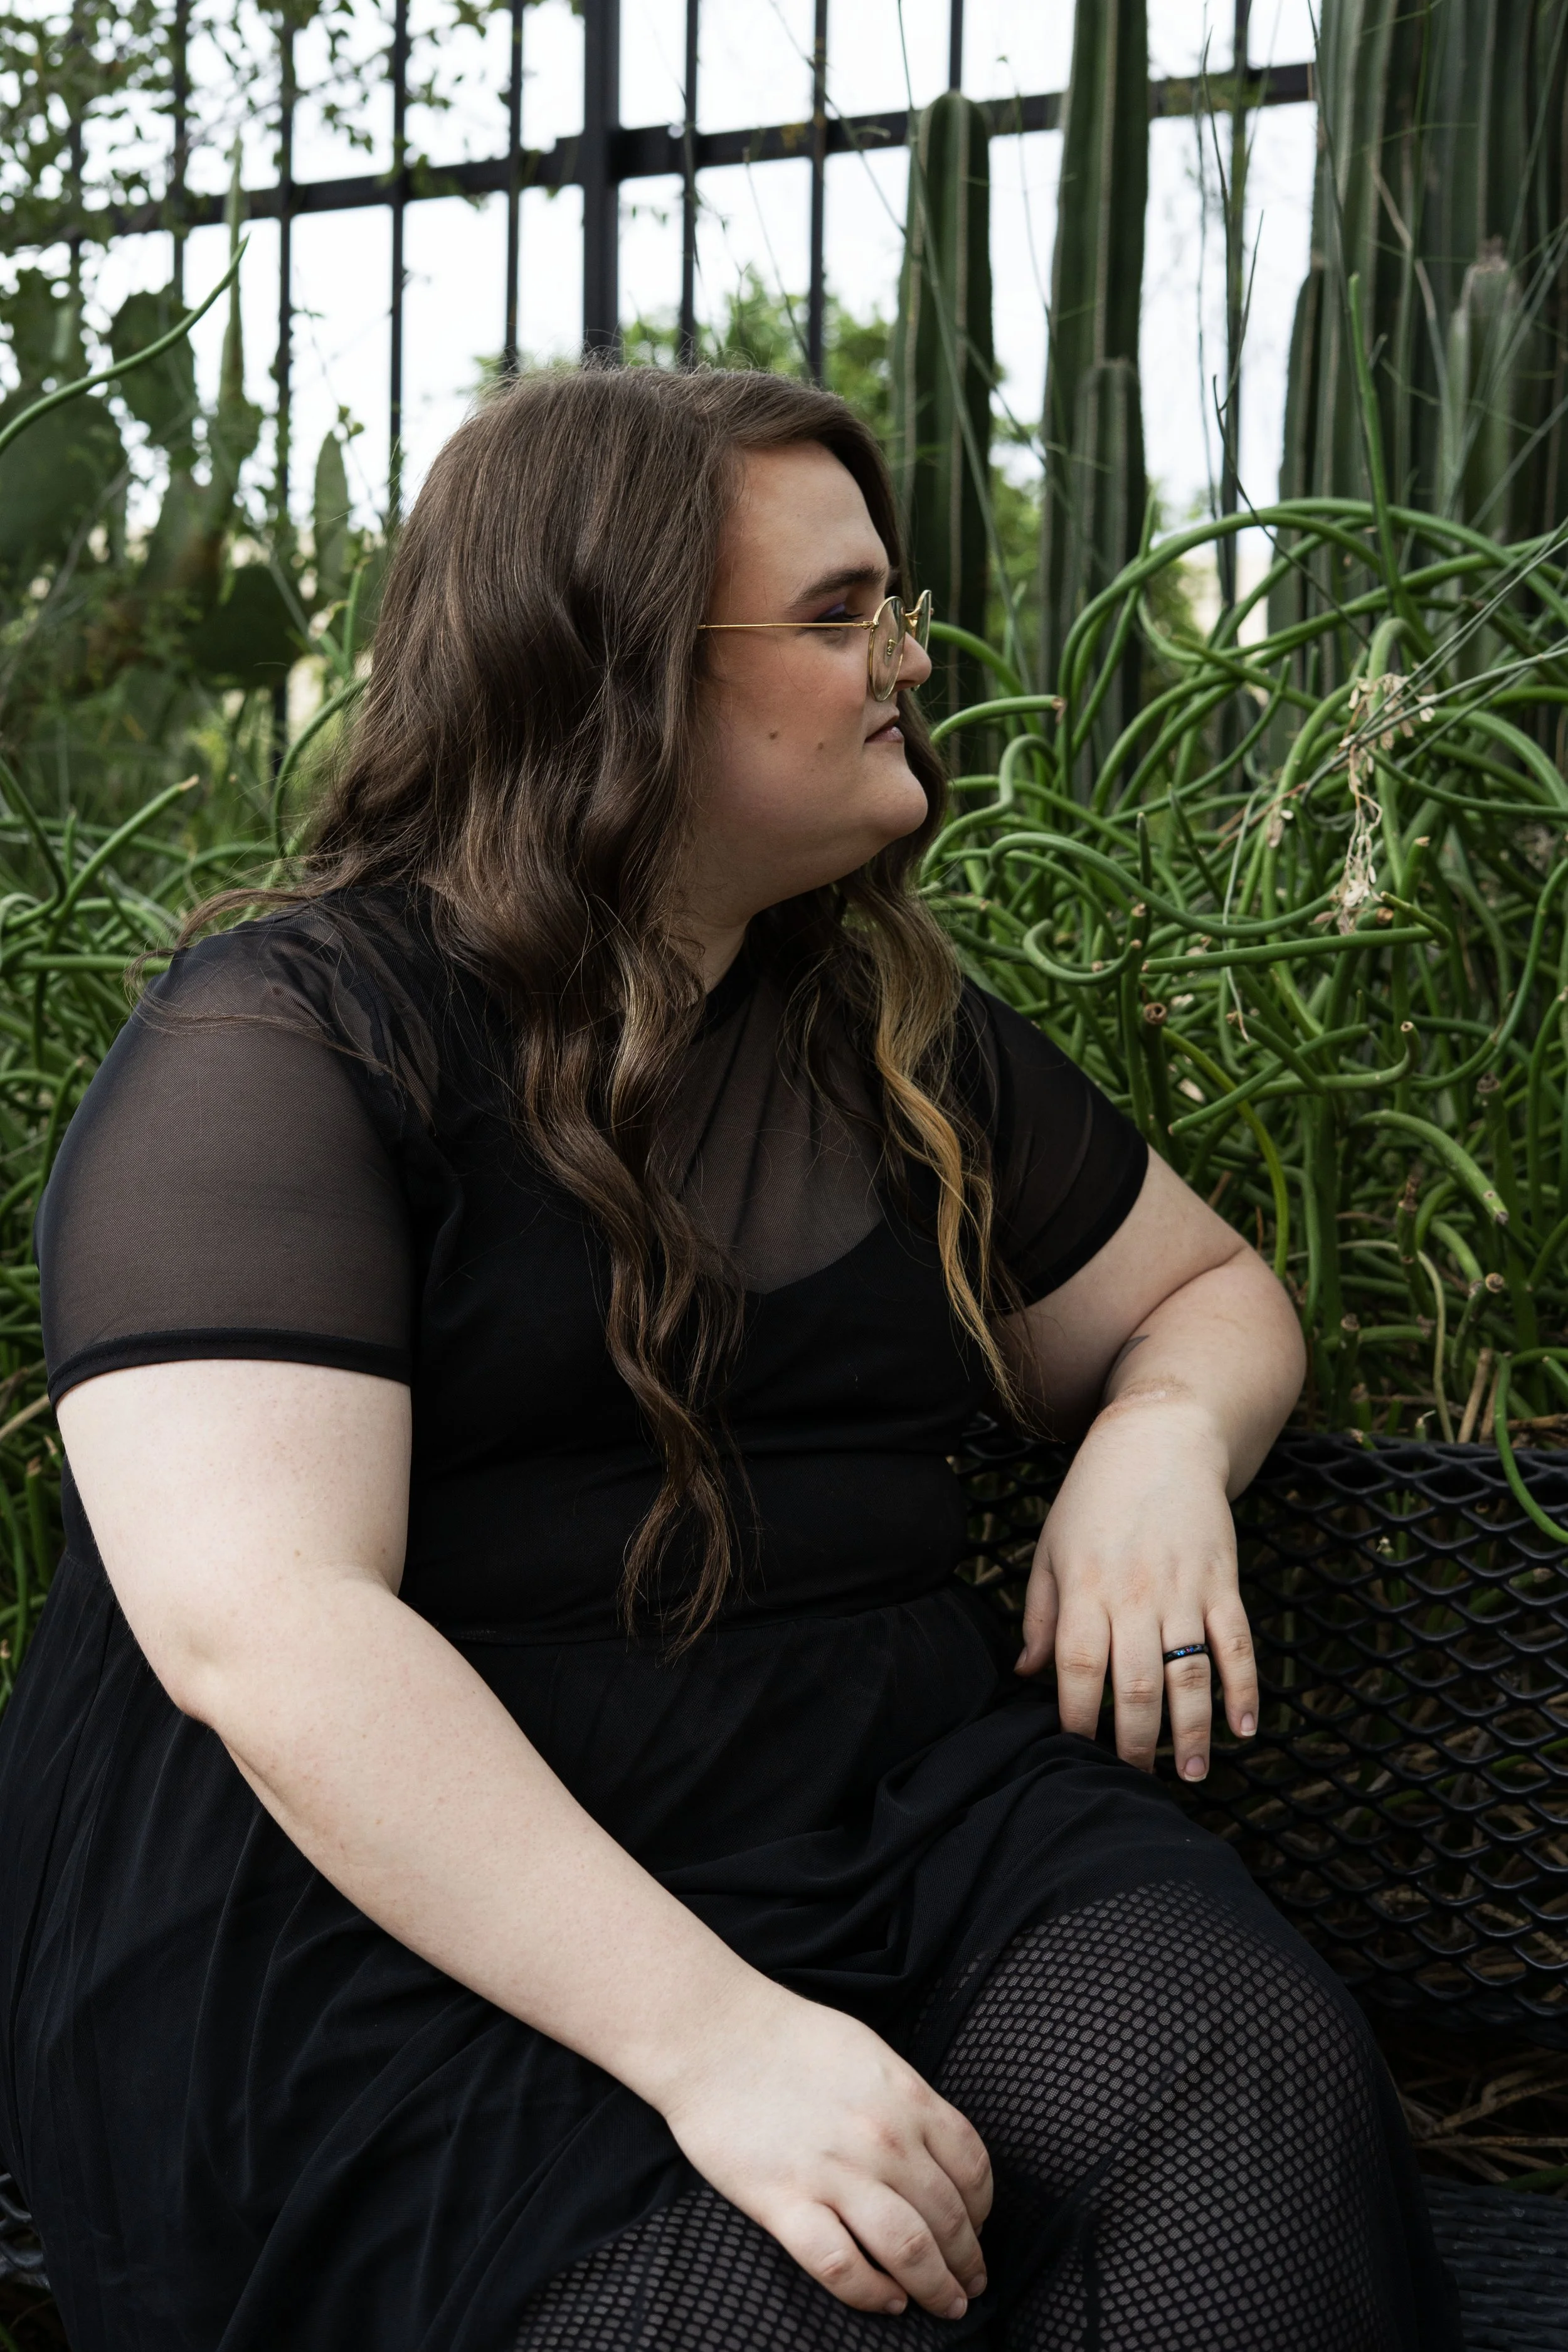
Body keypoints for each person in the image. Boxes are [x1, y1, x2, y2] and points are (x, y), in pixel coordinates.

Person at [0, 366, 1457, 2352]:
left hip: (874, 1801)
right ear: (614, 672)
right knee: (784, 2309)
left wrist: (1162, 1437)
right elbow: (267, 1627)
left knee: (1245, 2102)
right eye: (840, 612)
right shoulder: (280, 1053)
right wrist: (718, 2043)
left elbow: (1206, 1293)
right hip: (413, 1903)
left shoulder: (876, 1037)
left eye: (894, 605)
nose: (910, 657)